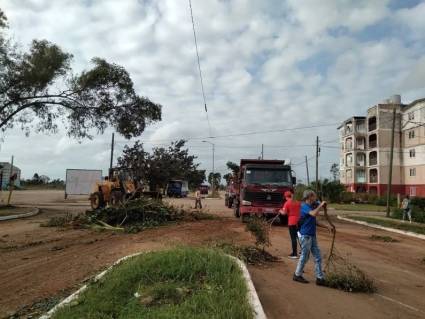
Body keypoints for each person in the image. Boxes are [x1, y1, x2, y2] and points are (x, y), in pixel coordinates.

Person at [293, 189, 332, 286]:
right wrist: (320, 205)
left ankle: (319, 277)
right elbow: (314, 213)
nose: (315, 198)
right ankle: (297, 274)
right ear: (309, 197)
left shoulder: (311, 207)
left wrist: (327, 227)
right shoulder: (304, 206)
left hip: (312, 235)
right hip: (305, 236)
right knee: (305, 256)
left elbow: (314, 221)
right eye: (314, 196)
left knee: (318, 256)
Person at [280, 191, 300, 259]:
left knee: (293, 238)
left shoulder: (287, 203)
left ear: (286, 197)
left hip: (292, 222)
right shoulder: (297, 202)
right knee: (300, 237)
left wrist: (280, 211)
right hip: (299, 221)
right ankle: (303, 251)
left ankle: (294, 254)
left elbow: (284, 213)